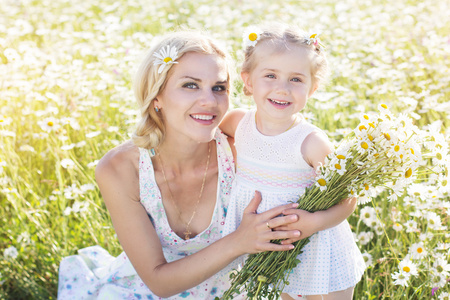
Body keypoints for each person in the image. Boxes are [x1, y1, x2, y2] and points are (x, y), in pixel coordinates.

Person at [57, 30, 304, 300]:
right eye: (190, 85)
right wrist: (239, 241)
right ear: (156, 97)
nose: (209, 101)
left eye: (219, 88)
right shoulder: (121, 169)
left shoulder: (241, 150)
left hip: (236, 291)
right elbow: (158, 282)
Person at [220, 23, 366, 300]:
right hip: (261, 242)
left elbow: (347, 198)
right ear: (248, 80)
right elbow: (212, 141)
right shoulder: (237, 122)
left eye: (296, 79)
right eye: (270, 76)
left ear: (313, 88)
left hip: (313, 244)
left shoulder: (311, 142)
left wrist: (315, 222)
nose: (282, 89)